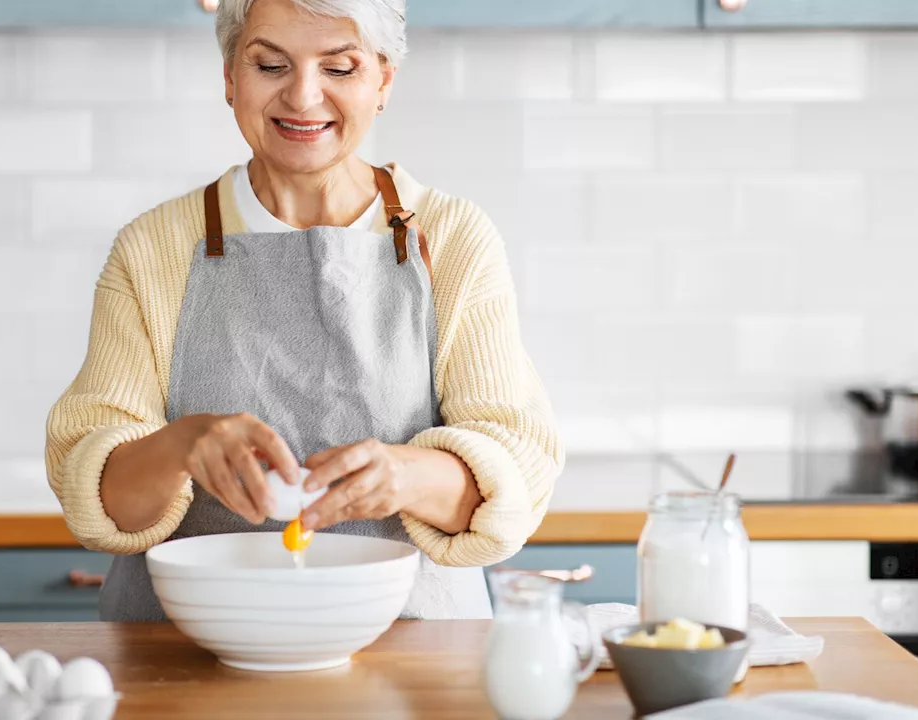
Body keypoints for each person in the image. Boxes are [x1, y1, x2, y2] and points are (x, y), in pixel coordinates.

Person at [45, 0, 564, 622]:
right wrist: (181, 445)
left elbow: (514, 478)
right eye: (271, 65)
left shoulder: (452, 239)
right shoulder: (154, 248)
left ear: (382, 81)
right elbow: (101, 501)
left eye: (339, 69)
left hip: (413, 658)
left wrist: (403, 474)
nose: (302, 96)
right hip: (189, 658)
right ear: (231, 76)